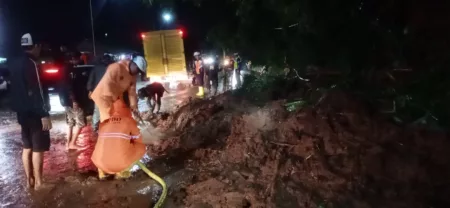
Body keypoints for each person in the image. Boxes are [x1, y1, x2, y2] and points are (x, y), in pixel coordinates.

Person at [90, 55, 147, 179]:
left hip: (116, 100)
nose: (137, 73)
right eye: (137, 69)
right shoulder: (116, 67)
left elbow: (132, 92)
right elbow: (106, 85)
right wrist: (114, 106)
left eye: (139, 72)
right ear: (132, 63)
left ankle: (108, 164)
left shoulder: (133, 76)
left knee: (111, 129)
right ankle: (109, 166)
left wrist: (134, 106)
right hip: (104, 99)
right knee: (108, 127)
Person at [9, 33, 52, 190]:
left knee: (26, 147)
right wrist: (44, 114)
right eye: (39, 46)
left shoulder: (13, 63)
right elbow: (38, 90)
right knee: (38, 148)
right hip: (34, 113)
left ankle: (29, 181)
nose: (40, 49)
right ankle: (40, 183)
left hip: (21, 113)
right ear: (34, 46)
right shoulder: (31, 64)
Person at [87, 54, 113, 132]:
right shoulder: (111, 68)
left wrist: (90, 90)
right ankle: (106, 126)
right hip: (108, 93)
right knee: (108, 110)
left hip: (98, 93)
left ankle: (95, 127)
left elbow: (90, 80)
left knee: (97, 110)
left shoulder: (96, 68)